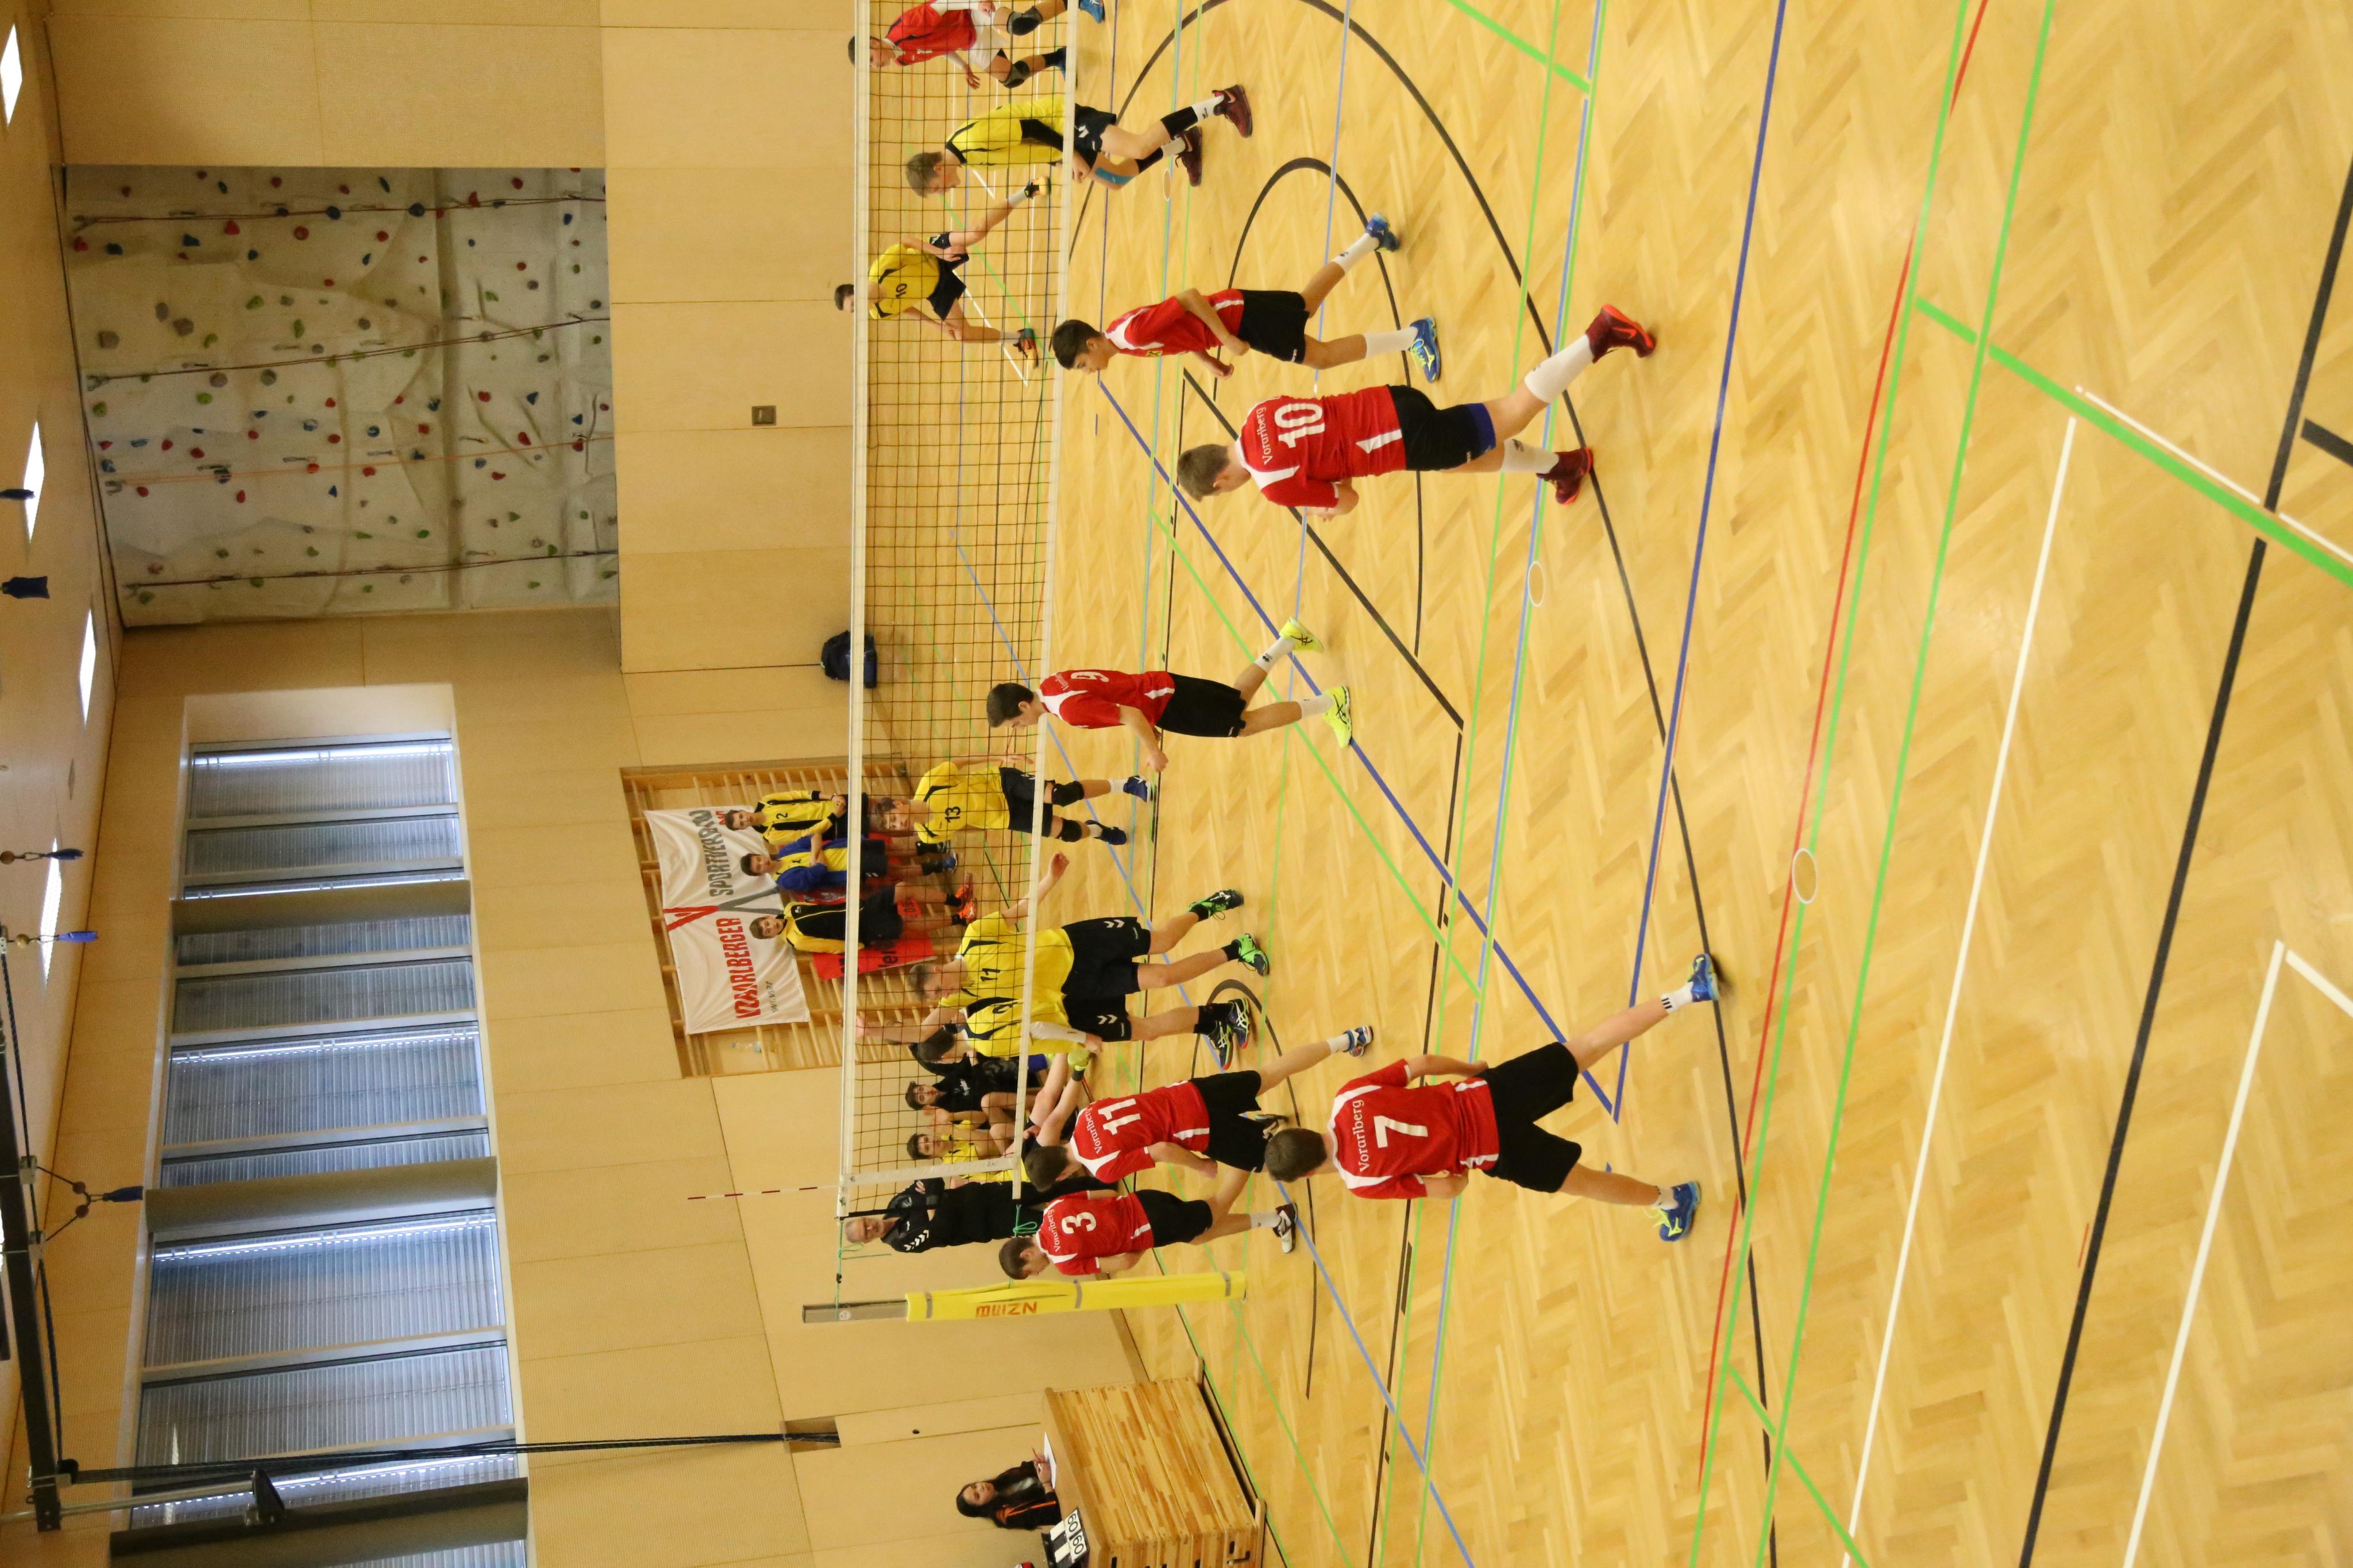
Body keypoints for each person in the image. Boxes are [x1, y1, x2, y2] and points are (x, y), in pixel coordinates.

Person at [1262, 955, 1719, 1239]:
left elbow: (1449, 1188)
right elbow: (1420, 1064)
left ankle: (1671, 1200)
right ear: (1303, 1130)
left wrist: (1456, 1168)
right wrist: (1470, 1069)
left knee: (1584, 1182)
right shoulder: (1348, 1098)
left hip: (1493, 1150)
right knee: (1591, 1044)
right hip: (1490, 1093)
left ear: (1309, 1174)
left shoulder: (1362, 1183)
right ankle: (1689, 992)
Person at [1174, 305, 1657, 516]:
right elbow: (1324, 440)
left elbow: (1347, 500)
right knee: (1461, 460)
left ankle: (1600, 335)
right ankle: (1563, 467)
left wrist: (1329, 509)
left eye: (1223, 492)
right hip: (1390, 400)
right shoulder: (1256, 414)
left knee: (1512, 410)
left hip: (1402, 440)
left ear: (1221, 480)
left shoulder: (1273, 485)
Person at [900, 855, 1270, 1057]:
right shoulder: (962, 999)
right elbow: (920, 1032)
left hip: (1077, 944)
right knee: (1163, 978)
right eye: (937, 998)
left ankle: (1204, 908)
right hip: (1078, 987)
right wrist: (876, 1032)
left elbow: (1019, 911)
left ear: (937, 970)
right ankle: (1238, 949)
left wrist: (1050, 880)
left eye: (936, 990)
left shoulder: (975, 938)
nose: (942, 997)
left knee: (1163, 942)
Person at [1051, 214, 1440, 380]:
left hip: (1238, 320)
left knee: (1319, 358)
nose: (1088, 372)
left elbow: (1188, 298)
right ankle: (1371, 237)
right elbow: (1177, 330)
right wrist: (1207, 359)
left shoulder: (1132, 337)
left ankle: (1414, 336)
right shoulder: (1120, 336)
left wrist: (1225, 339)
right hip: (1234, 308)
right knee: (1306, 303)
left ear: (1091, 345)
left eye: (1083, 365)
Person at [1024, 1025, 1375, 1187]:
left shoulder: (1102, 1169)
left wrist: (1200, 1166)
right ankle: (1347, 1039)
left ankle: (1364, 1161)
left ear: (1063, 1175)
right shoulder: (1087, 1115)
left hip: (1201, 1130)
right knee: (1271, 1072)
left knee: (1276, 1165)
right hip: (1190, 1093)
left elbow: (1161, 1150)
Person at [986, 619, 1349, 766]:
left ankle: (1330, 703)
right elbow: (1115, 696)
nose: (1020, 728)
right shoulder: (1053, 682)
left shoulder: (1068, 711)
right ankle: (1288, 640)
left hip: (1165, 704)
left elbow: (1128, 715)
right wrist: (1147, 725)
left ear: (1023, 706)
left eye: (1015, 723)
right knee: (1234, 700)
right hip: (1159, 686)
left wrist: (1153, 751)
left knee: (1242, 725)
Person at [905, 87, 1250, 195]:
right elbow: (1026, 148)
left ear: (938, 169)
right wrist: (1062, 161)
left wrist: (1070, 154)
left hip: (1064, 122)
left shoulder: (971, 141)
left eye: (937, 188)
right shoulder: (967, 159)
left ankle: (1223, 101)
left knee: (1139, 147)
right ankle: (1182, 144)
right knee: (1116, 180)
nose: (943, 191)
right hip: (1060, 144)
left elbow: (1032, 127)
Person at [842, 181, 1044, 360]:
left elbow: (907, 241)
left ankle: (1027, 191)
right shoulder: (878, 312)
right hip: (936, 290)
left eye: (853, 303)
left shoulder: (880, 270)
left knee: (975, 233)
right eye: (853, 310)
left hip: (932, 256)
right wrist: (938, 326)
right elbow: (904, 308)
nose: (857, 309)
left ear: (858, 289)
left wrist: (941, 253)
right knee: (963, 335)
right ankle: (1020, 338)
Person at [998, 1164, 1295, 1277]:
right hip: (1144, 1200)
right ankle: (1276, 1219)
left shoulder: (1064, 1263)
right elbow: (1107, 1193)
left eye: (1030, 1272)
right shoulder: (1053, 1208)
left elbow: (1125, 1262)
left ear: (1027, 1255)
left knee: (1218, 1205)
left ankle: (1253, 1149)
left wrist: (1142, 1241)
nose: (1037, 1274)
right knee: (1198, 1237)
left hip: (1152, 1227)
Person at [886, 757, 1149, 848]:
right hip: (1006, 818)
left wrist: (999, 757)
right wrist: (987, 826)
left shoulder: (930, 784)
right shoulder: (929, 835)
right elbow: (962, 825)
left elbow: (961, 761)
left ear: (899, 804)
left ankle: (1127, 784)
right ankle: (1098, 830)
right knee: (1068, 833)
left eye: (894, 819)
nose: (898, 825)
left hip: (1002, 783)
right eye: (894, 826)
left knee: (1060, 795)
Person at [859, 2, 1070, 91]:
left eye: (871, 59)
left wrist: (975, 3)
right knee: (1012, 78)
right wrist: (962, 66)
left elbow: (943, 3)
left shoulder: (906, 28)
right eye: (870, 66)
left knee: (1020, 25)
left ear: (874, 43)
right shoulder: (902, 60)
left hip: (969, 11)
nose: (875, 65)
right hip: (969, 40)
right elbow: (937, 48)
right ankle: (1060, 57)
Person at [747, 881, 970, 953]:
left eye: (767, 924)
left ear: (768, 917)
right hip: (863, 929)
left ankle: (956, 900)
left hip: (861, 907)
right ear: (771, 936)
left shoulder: (791, 908)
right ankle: (961, 918)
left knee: (904, 888)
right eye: (768, 931)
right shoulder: (796, 940)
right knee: (907, 923)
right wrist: (861, 944)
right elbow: (832, 946)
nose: (771, 927)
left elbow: (823, 907)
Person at [742, 834, 920, 899]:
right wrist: (817, 856)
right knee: (894, 869)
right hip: (852, 867)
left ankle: (926, 845)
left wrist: (814, 854)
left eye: (759, 859)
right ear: (760, 874)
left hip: (848, 846)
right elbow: (820, 869)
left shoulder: (786, 851)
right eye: (759, 867)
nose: (762, 863)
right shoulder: (785, 880)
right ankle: (934, 866)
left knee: (890, 847)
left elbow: (815, 836)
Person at [956, 1460, 1063, 1531]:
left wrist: (1036, 1464)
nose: (981, 1488)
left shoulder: (1001, 1480)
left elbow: (1026, 1468)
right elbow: (1052, 1512)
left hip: (1060, 1479)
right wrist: (1046, 1484)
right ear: (981, 1508)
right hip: (1064, 1501)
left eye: (975, 1486)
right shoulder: (1007, 1516)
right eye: (977, 1495)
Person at [721, 791, 843, 848]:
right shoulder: (771, 836)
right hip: (836, 825)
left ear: (742, 811)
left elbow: (800, 794)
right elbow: (806, 834)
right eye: (742, 824)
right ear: (744, 829)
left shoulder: (767, 801)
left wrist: (832, 797)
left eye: (741, 816)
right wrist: (832, 818)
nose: (746, 820)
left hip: (834, 802)